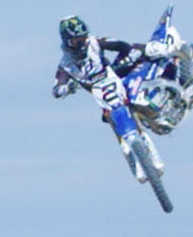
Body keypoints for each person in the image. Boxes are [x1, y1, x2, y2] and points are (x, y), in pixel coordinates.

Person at [51, 15, 166, 182]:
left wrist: (130, 52)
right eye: (76, 41)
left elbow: (119, 44)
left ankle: (169, 60)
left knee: (138, 81)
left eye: (82, 38)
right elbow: (57, 85)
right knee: (111, 120)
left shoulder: (95, 42)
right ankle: (135, 161)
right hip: (101, 94)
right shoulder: (66, 64)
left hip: (114, 77)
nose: (81, 43)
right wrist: (63, 89)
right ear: (68, 42)